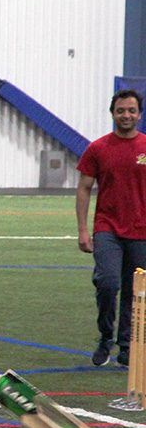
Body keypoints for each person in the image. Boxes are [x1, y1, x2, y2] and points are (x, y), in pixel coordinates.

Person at [76, 88, 146, 367]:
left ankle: (126, 345)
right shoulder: (98, 148)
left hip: (142, 231)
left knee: (134, 291)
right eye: (121, 110)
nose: (126, 115)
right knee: (107, 283)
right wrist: (83, 229)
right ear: (112, 113)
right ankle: (106, 336)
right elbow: (83, 189)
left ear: (139, 114)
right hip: (107, 229)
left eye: (131, 110)